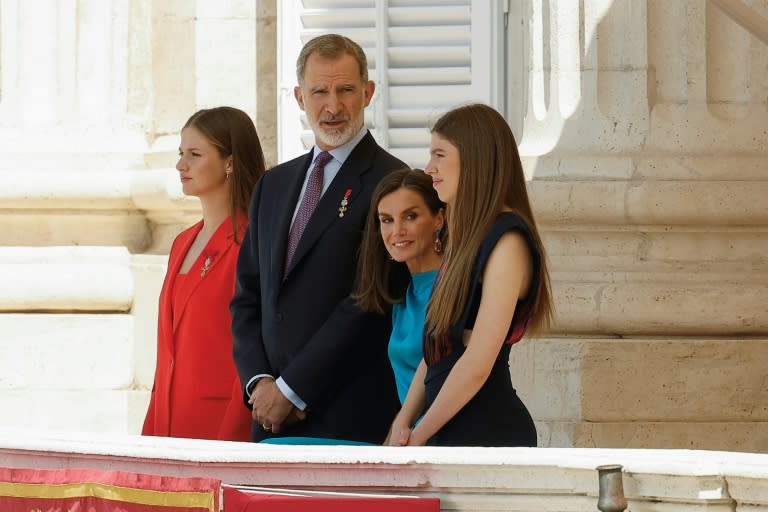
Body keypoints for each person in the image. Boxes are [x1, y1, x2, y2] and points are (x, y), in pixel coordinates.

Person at [231, 34, 404, 443]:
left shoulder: (392, 183)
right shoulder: (273, 185)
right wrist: (260, 385)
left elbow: (369, 301)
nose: (333, 106)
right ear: (298, 97)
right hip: (268, 418)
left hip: (347, 417)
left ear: (368, 92)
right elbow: (247, 298)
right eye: (319, 91)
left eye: (345, 90)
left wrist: (292, 390)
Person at [388, 103, 554, 447]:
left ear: (475, 159)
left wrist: (419, 435)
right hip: (447, 432)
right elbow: (436, 349)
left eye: (439, 155)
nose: (429, 168)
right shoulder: (466, 238)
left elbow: (477, 362)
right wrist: (402, 423)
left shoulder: (508, 241)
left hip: (486, 435)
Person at [143, 106, 266, 441]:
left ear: (230, 162)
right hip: (169, 421)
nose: (181, 165)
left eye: (195, 154)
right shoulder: (182, 242)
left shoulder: (252, 241)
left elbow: (254, 346)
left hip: (222, 426)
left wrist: (232, 439)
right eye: (181, 153)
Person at [353, 169, 445, 406]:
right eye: (387, 220)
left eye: (410, 216)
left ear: (439, 219)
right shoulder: (404, 294)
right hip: (409, 435)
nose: (397, 231)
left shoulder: (451, 288)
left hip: (444, 437)